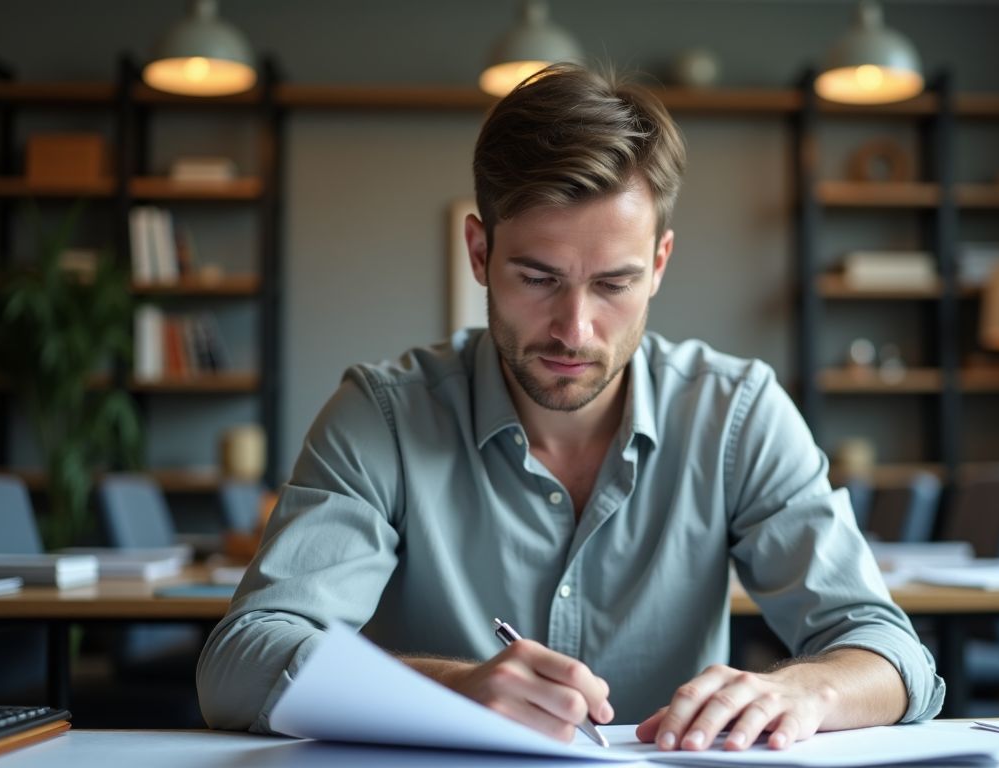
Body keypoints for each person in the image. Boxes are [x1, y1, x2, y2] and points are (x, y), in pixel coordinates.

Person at [197, 64, 944, 751]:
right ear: (480, 253)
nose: (574, 330)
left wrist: (803, 688)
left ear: (658, 265)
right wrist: (454, 688)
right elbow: (237, 665)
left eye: (614, 284)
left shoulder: (737, 414)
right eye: (538, 277)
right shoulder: (382, 418)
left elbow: (894, 655)